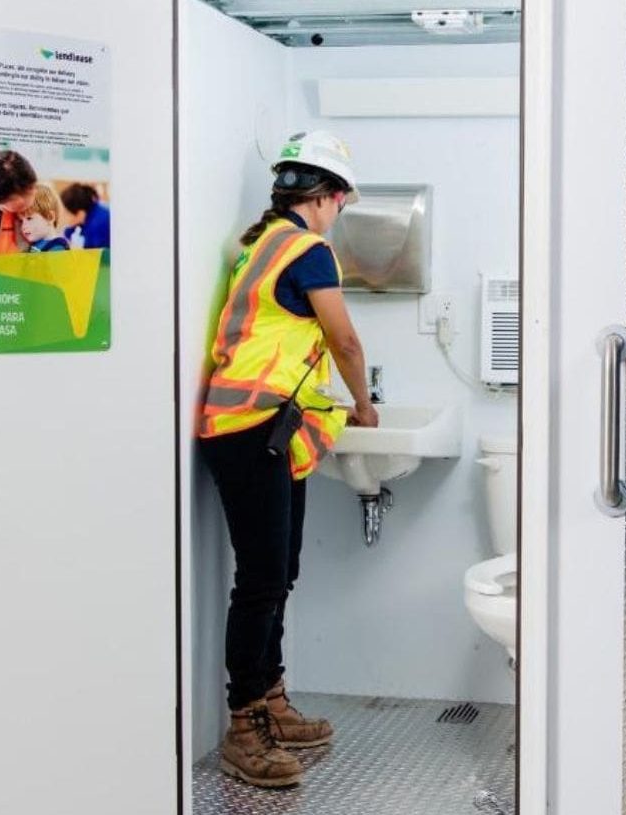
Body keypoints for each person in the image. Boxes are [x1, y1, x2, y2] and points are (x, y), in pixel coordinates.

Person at [197, 130, 379, 789]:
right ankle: (244, 726)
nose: (339, 213)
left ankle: (270, 700)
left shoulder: (259, 244)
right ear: (328, 198)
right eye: (342, 203)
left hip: (259, 426)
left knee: (279, 571)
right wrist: (364, 404)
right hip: (249, 427)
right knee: (263, 579)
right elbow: (346, 341)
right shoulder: (308, 250)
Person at [19, 185, 70, 252]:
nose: (23, 226)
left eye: (29, 219)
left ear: (50, 217)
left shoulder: (58, 247)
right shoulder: (35, 243)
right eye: (21, 221)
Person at [59, 183, 111, 249]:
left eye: (66, 213)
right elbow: (69, 233)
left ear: (79, 213)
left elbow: (98, 255)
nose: (63, 217)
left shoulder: (98, 224)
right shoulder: (89, 212)